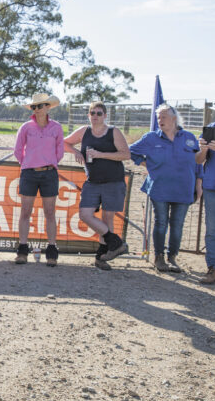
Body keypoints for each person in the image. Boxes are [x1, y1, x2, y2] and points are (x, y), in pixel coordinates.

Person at [130, 104, 201, 272]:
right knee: (161, 223)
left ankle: (172, 257)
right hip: (159, 188)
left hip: (184, 188)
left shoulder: (189, 138)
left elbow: (198, 163)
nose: (160, 120)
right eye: (158, 117)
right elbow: (130, 150)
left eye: (163, 117)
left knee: (177, 224)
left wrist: (199, 185)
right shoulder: (151, 138)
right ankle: (159, 257)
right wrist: (144, 163)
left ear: (174, 119)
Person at [63, 102, 130, 270]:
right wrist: (76, 152)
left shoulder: (113, 132)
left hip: (113, 181)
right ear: (88, 115)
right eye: (92, 113)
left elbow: (125, 154)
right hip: (92, 181)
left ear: (105, 115)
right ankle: (115, 241)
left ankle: (101, 257)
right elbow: (64, 143)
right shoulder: (84, 131)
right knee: (85, 214)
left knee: (107, 218)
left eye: (99, 113)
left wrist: (101, 155)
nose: (95, 116)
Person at [13, 93, 65, 267]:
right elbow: (18, 150)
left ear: (48, 107)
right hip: (29, 173)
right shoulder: (26, 127)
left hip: (49, 173)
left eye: (40, 106)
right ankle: (22, 249)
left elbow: (60, 151)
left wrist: (49, 163)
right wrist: (28, 164)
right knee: (25, 212)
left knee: (50, 212)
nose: (37, 109)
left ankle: (51, 249)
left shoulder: (57, 128)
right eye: (34, 107)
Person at [195, 103, 215, 283]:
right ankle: (213, 268)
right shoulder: (211, 130)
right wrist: (203, 149)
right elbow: (198, 160)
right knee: (212, 230)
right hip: (212, 186)